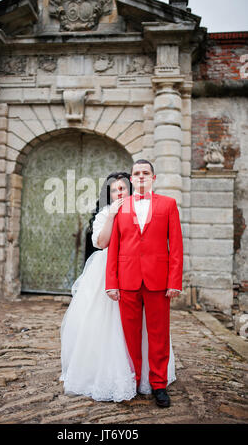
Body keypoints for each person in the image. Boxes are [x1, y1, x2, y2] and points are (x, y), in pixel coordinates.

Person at [60, 170, 176, 402]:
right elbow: (102, 243)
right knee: (103, 325)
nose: (119, 192)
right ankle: (110, 372)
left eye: (122, 188)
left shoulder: (142, 209)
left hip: (136, 273)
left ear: (130, 189)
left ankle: (150, 378)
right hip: (107, 272)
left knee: (146, 329)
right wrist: (112, 215)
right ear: (108, 194)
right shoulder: (107, 213)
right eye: (114, 190)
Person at [106, 159, 183, 408]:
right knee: (130, 336)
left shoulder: (169, 205)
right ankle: (134, 381)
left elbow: (176, 248)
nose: (141, 176)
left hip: (158, 281)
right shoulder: (121, 207)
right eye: (136, 173)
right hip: (127, 281)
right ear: (131, 178)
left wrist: (175, 281)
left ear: (153, 178)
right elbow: (114, 248)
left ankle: (159, 385)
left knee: (159, 335)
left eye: (145, 173)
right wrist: (111, 282)